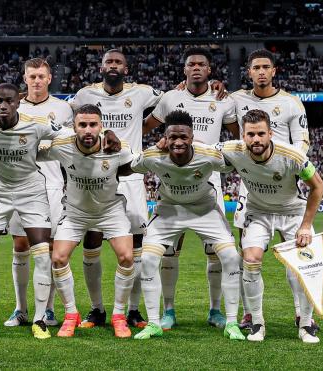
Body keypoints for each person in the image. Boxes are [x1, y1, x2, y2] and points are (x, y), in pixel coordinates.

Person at [0, 83, 119, 339]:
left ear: (18, 102)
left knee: (41, 253)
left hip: (31, 191)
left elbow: (72, 133)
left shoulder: (35, 123)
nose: (3, 106)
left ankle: (40, 319)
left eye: (8, 101)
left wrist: (107, 133)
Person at [143, 47, 238, 330]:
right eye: (191, 64)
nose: (196, 67)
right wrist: (155, 148)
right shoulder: (171, 98)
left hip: (208, 182)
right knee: (169, 250)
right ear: (184, 70)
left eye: (201, 64)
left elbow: (238, 137)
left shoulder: (223, 99)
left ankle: (215, 310)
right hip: (173, 181)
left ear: (210, 70)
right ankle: (168, 310)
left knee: (216, 252)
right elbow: (145, 127)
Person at [132, 110, 245, 341]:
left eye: (184, 137)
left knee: (231, 257)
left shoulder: (208, 154)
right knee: (148, 259)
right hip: (169, 210)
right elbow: (130, 166)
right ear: (165, 137)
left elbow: (231, 162)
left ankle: (230, 321)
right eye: (173, 137)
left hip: (204, 209)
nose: (178, 142)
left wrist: (212, 146)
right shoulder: (154, 155)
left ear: (192, 137)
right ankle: (156, 321)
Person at [70, 49, 163, 328]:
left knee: (135, 245)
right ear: (101, 67)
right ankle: (97, 309)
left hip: (131, 176)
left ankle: (132, 310)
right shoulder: (85, 95)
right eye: (108, 61)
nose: (113, 65)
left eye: (118, 62)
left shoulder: (143, 92)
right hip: (96, 177)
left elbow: (174, 98)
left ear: (126, 68)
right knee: (92, 241)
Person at [219, 109, 323, 343]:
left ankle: (306, 325)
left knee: (305, 264)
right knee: (251, 258)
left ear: (270, 133)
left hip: (293, 213)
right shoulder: (232, 150)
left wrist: (306, 225)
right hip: (258, 212)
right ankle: (257, 324)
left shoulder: (292, 155)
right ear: (243, 136)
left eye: (261, 134)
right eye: (250, 134)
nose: (256, 139)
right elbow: (200, 151)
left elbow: (317, 186)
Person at [230, 49, 314, 331]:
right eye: (256, 67)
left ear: (274, 71)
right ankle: (249, 313)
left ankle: (302, 314)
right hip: (251, 185)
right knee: (248, 253)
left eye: (267, 67)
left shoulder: (291, 103)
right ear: (249, 71)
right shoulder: (235, 99)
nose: (262, 71)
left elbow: (302, 142)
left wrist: (283, 166)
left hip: (284, 178)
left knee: (297, 254)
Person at [39, 104, 135, 338]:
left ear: (102, 126)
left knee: (127, 256)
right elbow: (33, 147)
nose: (88, 130)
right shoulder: (61, 146)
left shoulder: (117, 148)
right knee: (58, 258)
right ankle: (71, 315)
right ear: (74, 127)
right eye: (82, 125)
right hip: (75, 212)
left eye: (93, 124)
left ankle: (119, 316)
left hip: (110, 210)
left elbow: (132, 166)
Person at [5, 58, 73, 328]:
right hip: (19, 184)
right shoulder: (13, 105)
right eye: (31, 76)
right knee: (20, 246)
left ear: (48, 79)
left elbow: (70, 139)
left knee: (51, 249)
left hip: (52, 185)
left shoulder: (64, 108)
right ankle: (20, 309)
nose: (36, 81)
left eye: (41, 76)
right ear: (25, 78)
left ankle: (48, 310)